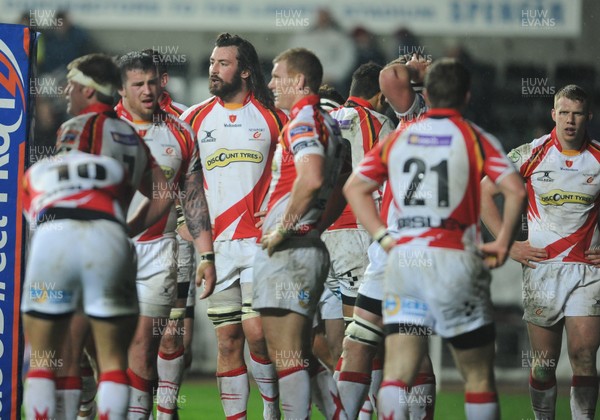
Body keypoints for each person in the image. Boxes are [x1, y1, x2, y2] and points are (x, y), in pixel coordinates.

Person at [344, 58, 526, 419]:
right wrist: (505, 243)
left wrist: (382, 237)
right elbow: (515, 190)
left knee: (397, 371)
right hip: (455, 257)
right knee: (476, 376)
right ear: (468, 95)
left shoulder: (402, 135)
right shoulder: (474, 136)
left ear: (425, 92)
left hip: (407, 261)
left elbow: (355, 188)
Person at [21, 53, 173, 420]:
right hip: (109, 243)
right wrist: (126, 228)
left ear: (89, 91)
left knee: (59, 356)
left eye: (72, 86)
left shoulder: (76, 128)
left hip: (62, 238)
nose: (66, 93)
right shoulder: (132, 137)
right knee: (111, 361)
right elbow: (164, 194)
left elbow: (63, 186)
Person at [181, 33, 287, 420]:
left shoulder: (274, 118)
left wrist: (283, 212)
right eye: (211, 62)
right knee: (227, 340)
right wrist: (184, 222)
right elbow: (180, 179)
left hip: (262, 244)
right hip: (218, 246)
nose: (213, 69)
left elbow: (293, 175)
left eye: (222, 63)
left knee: (258, 334)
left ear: (244, 71)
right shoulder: (192, 118)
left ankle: (272, 409)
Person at [481, 84, 600, 420]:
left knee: (583, 355)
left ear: (588, 116)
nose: (570, 121)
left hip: (588, 270)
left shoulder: (598, 158)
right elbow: (484, 192)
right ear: (554, 115)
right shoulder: (530, 153)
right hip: (542, 269)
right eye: (564, 113)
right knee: (545, 364)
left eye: (577, 113)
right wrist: (507, 243)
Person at [335, 56, 436, 420]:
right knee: (365, 342)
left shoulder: (425, 123)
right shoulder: (419, 126)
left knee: (400, 349)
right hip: (397, 250)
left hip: (413, 249)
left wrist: (414, 67)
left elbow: (389, 76)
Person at [254, 47, 350, 419]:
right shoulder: (331, 123)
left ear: (298, 81)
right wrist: (315, 226)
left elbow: (310, 178)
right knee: (303, 353)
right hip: (308, 245)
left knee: (287, 356)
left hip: (290, 250)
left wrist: (284, 228)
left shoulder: (303, 121)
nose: (272, 83)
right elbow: (344, 183)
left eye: (277, 76)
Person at [115, 51, 211, 419]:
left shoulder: (181, 131)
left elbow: (193, 195)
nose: (147, 90)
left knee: (150, 343)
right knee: (104, 346)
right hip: (108, 251)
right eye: (138, 84)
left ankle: (161, 410)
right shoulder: (99, 129)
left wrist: (207, 255)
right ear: (122, 87)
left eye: (152, 82)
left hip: (160, 250)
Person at [319, 62, 394, 418]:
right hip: (357, 232)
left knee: (332, 337)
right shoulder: (380, 123)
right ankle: (363, 413)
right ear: (379, 96)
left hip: (318, 231)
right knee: (363, 335)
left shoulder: (325, 118)